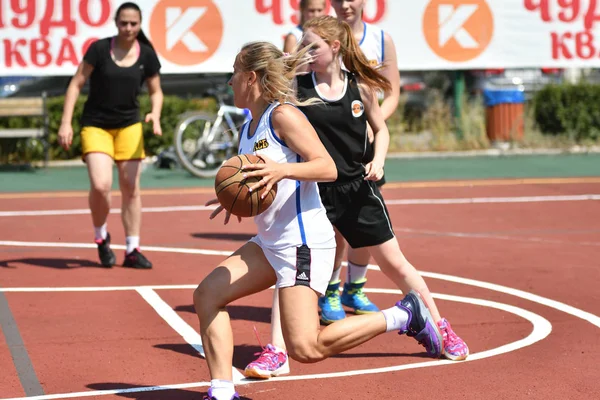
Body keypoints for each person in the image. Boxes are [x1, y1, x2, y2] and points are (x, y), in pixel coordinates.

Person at [193, 40, 443, 400]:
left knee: (306, 348)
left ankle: (405, 315)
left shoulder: (283, 115)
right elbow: (260, 184)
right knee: (207, 295)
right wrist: (235, 198)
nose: (229, 81)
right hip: (270, 243)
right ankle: (221, 392)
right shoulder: (250, 128)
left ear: (250, 77)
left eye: (234, 73)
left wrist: (280, 170)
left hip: (303, 242)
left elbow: (327, 167)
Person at [242, 15, 469, 381]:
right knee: (291, 269)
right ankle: (277, 351)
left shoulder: (360, 88)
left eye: (312, 45)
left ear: (334, 48)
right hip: (313, 191)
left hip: (357, 189)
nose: (306, 52)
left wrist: (378, 159)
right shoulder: (296, 89)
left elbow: (381, 130)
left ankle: (438, 326)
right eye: (302, 44)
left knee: (396, 263)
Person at [57, 2, 162, 269]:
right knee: (102, 186)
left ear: (140, 25)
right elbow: (75, 84)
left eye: (133, 24)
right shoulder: (99, 49)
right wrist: (66, 123)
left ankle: (132, 248)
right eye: (123, 23)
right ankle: (101, 236)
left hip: (130, 126)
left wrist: (156, 114)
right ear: (116, 23)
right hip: (96, 126)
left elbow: (155, 91)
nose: (128, 28)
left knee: (130, 188)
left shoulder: (147, 55)